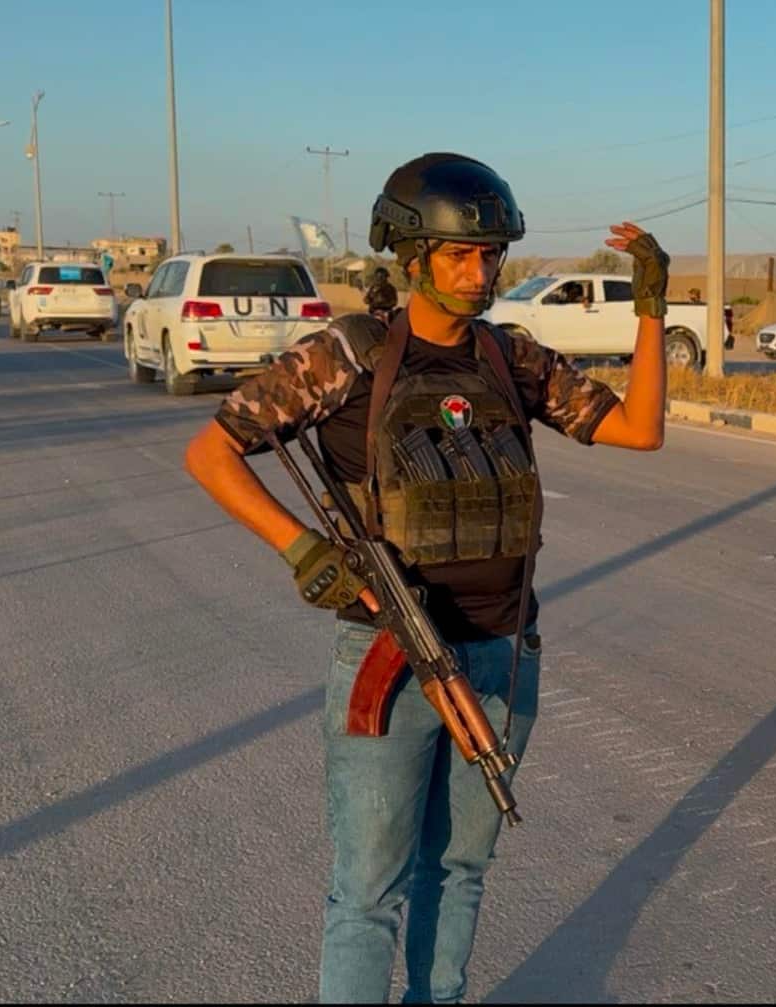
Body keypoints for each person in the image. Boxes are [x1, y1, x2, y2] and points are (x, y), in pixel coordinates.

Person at [184, 151, 669, 1003]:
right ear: (410, 258)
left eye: (490, 254)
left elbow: (637, 431)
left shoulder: (510, 358)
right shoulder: (348, 354)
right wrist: (302, 549)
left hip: (501, 653)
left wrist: (651, 311)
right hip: (392, 656)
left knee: (460, 870)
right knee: (369, 889)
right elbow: (212, 451)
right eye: (459, 254)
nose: (479, 272)